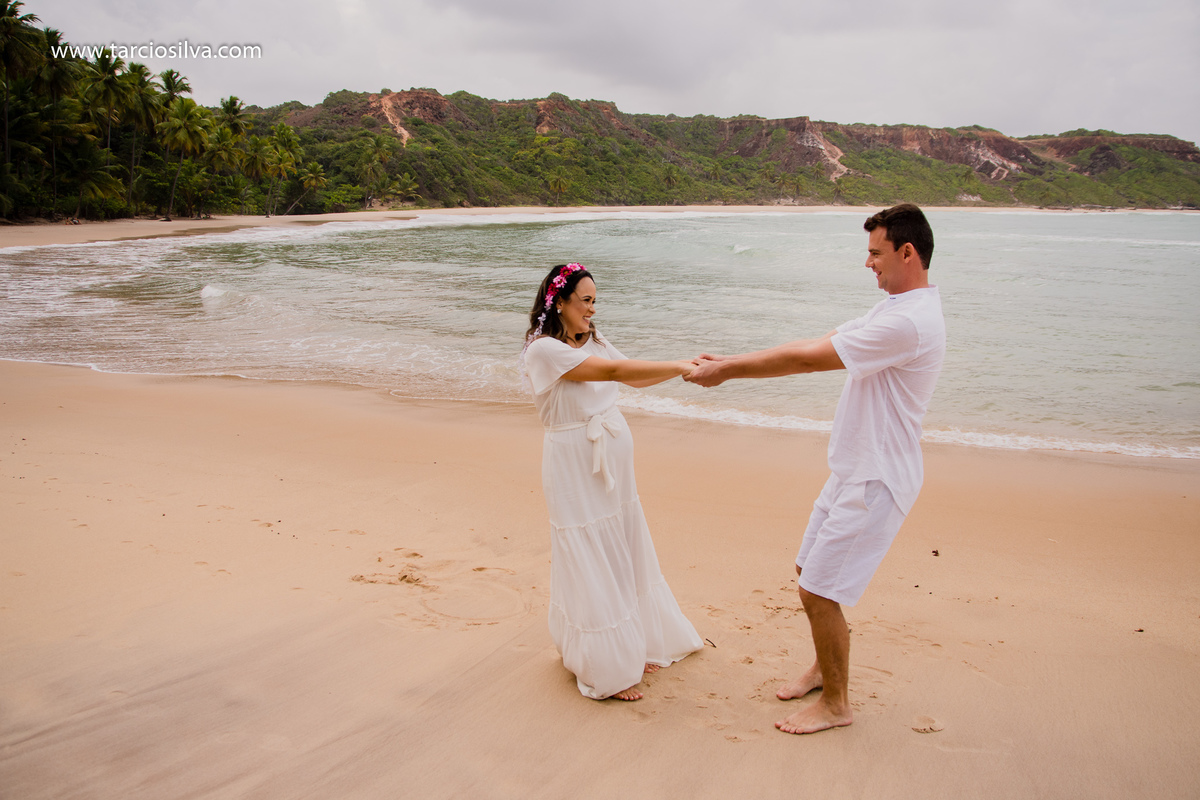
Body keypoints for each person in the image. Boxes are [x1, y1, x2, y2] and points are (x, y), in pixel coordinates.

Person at [685, 204, 945, 734]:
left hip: (877, 479)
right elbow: (809, 345)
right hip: (853, 471)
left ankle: (837, 705)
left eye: (875, 253)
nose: (868, 263)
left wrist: (727, 372)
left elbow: (807, 361)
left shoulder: (906, 323)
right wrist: (729, 359)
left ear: (907, 252)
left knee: (819, 591)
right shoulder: (893, 308)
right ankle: (825, 670)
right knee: (810, 572)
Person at [521, 263, 705, 701]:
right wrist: (679, 362)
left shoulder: (594, 340)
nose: (592, 308)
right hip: (573, 464)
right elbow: (609, 373)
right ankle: (606, 661)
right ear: (559, 302)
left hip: (613, 463)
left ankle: (631, 643)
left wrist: (686, 370)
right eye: (585, 300)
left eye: (595, 300)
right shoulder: (543, 350)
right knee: (589, 552)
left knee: (622, 544)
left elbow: (632, 374)